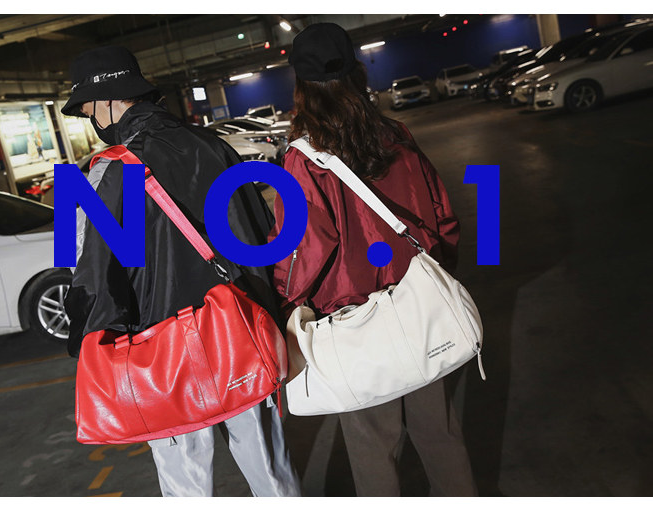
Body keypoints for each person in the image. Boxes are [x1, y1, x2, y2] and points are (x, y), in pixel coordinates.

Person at [60, 45, 300, 497]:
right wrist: (270, 313)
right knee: (271, 467)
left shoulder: (107, 173)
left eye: (88, 108)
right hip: (238, 331)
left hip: (160, 352)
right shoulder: (213, 145)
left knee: (184, 483)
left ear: (108, 100)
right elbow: (258, 234)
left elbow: (90, 273)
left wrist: (87, 339)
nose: (90, 119)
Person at [271, 23, 478, 496]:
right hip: (419, 305)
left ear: (302, 85)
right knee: (440, 432)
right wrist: (439, 270)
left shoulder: (304, 159)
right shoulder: (395, 134)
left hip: (354, 323)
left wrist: (287, 299)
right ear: (356, 72)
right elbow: (441, 212)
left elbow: (305, 248)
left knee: (372, 447)